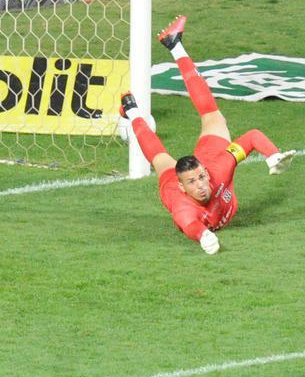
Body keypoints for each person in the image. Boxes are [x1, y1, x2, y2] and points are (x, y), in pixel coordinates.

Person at [117, 15, 295, 254]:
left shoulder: (217, 169)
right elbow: (189, 225)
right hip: (180, 190)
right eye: (192, 181)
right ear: (182, 187)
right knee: (159, 159)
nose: (201, 185)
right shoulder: (178, 199)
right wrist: (203, 236)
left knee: (213, 115)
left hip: (208, 157)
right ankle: (132, 111)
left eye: (201, 177)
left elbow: (252, 136)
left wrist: (272, 156)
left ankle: (175, 45)